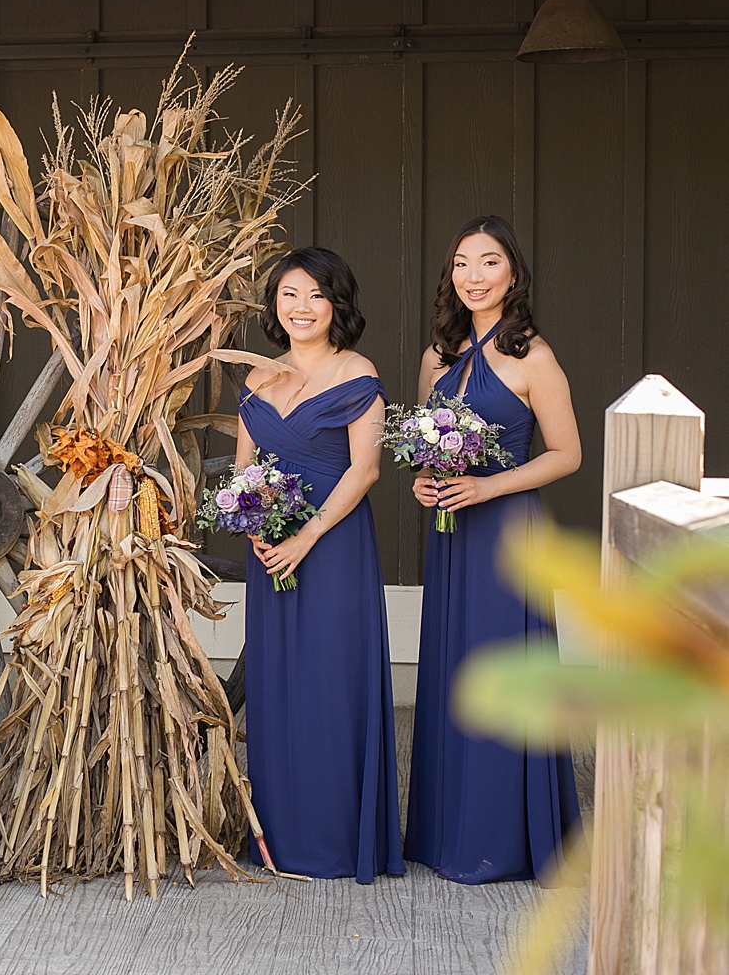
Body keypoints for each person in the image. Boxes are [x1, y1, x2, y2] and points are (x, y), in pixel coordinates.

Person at [404, 216, 582, 885]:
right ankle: (446, 831)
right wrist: (425, 479)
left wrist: (489, 487)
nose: (473, 276)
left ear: (513, 273)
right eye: (461, 264)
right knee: (456, 676)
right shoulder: (437, 356)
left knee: (506, 673)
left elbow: (567, 454)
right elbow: (425, 440)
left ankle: (503, 840)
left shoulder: (534, 356)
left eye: (488, 262)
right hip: (452, 534)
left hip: (509, 534)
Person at [236, 247, 405, 883]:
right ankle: (280, 838)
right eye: (289, 295)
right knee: (278, 686)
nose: (301, 307)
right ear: (275, 305)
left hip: (331, 548)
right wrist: (254, 524)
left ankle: (335, 839)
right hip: (270, 549)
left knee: (332, 683)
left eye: (315, 295)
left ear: (337, 304)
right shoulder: (258, 378)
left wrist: (306, 535)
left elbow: (366, 468)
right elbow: (244, 468)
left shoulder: (357, 371)